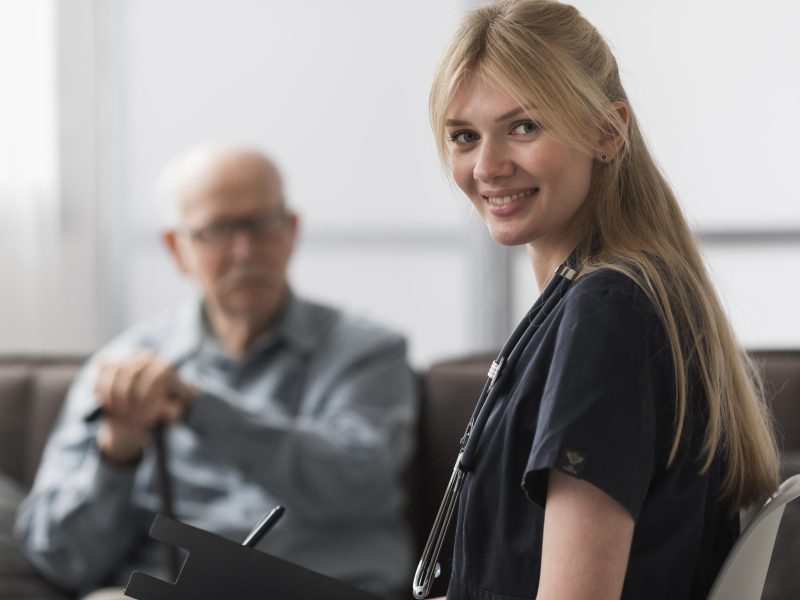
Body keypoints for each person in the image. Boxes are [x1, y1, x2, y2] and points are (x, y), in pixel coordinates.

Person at [417, 1, 780, 599]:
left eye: (524, 126)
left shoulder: (609, 310)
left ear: (607, 132)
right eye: (464, 136)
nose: (488, 165)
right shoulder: (611, 296)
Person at [14, 146, 417, 600]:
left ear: (291, 231)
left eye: (262, 224)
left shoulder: (366, 352)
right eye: (217, 231)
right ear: (176, 247)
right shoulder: (123, 367)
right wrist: (116, 453)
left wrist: (196, 404)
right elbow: (61, 556)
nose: (245, 251)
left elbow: (348, 483)